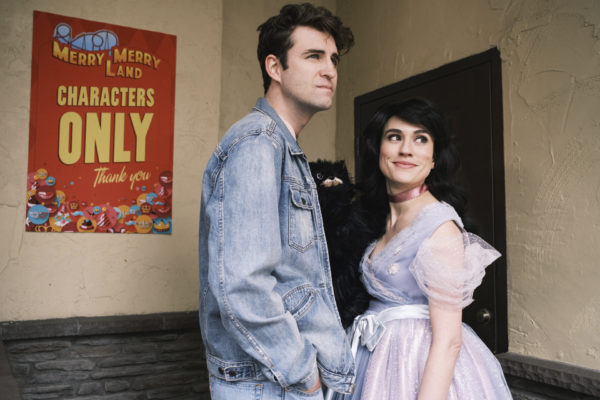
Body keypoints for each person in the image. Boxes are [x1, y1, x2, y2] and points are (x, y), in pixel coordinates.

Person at [198, 4, 355, 400]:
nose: (330, 70)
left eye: (333, 59)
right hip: (269, 382)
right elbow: (243, 287)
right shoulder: (257, 143)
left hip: (276, 379)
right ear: (275, 67)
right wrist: (305, 375)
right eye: (313, 56)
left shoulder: (281, 148)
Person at [330, 99, 512, 399]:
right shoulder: (374, 220)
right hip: (370, 359)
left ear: (434, 158)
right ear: (379, 149)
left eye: (421, 139)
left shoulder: (440, 227)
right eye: (395, 137)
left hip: (416, 365)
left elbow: (448, 341)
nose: (406, 149)